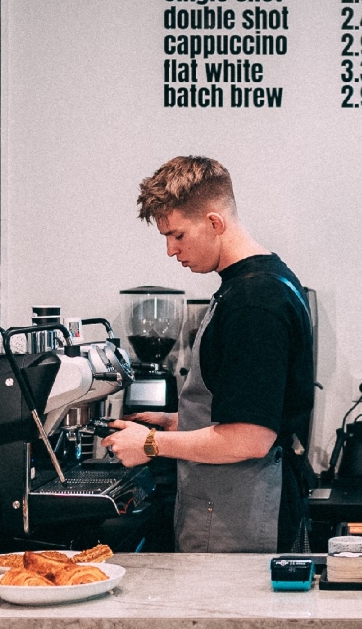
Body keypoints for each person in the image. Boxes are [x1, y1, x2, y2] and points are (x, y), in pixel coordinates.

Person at [104, 156, 316, 553]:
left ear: (215, 223)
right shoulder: (258, 283)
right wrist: (177, 420)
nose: (170, 250)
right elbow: (247, 404)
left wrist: (150, 444)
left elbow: (249, 438)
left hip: (241, 520)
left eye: (178, 235)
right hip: (230, 507)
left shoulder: (254, 303)